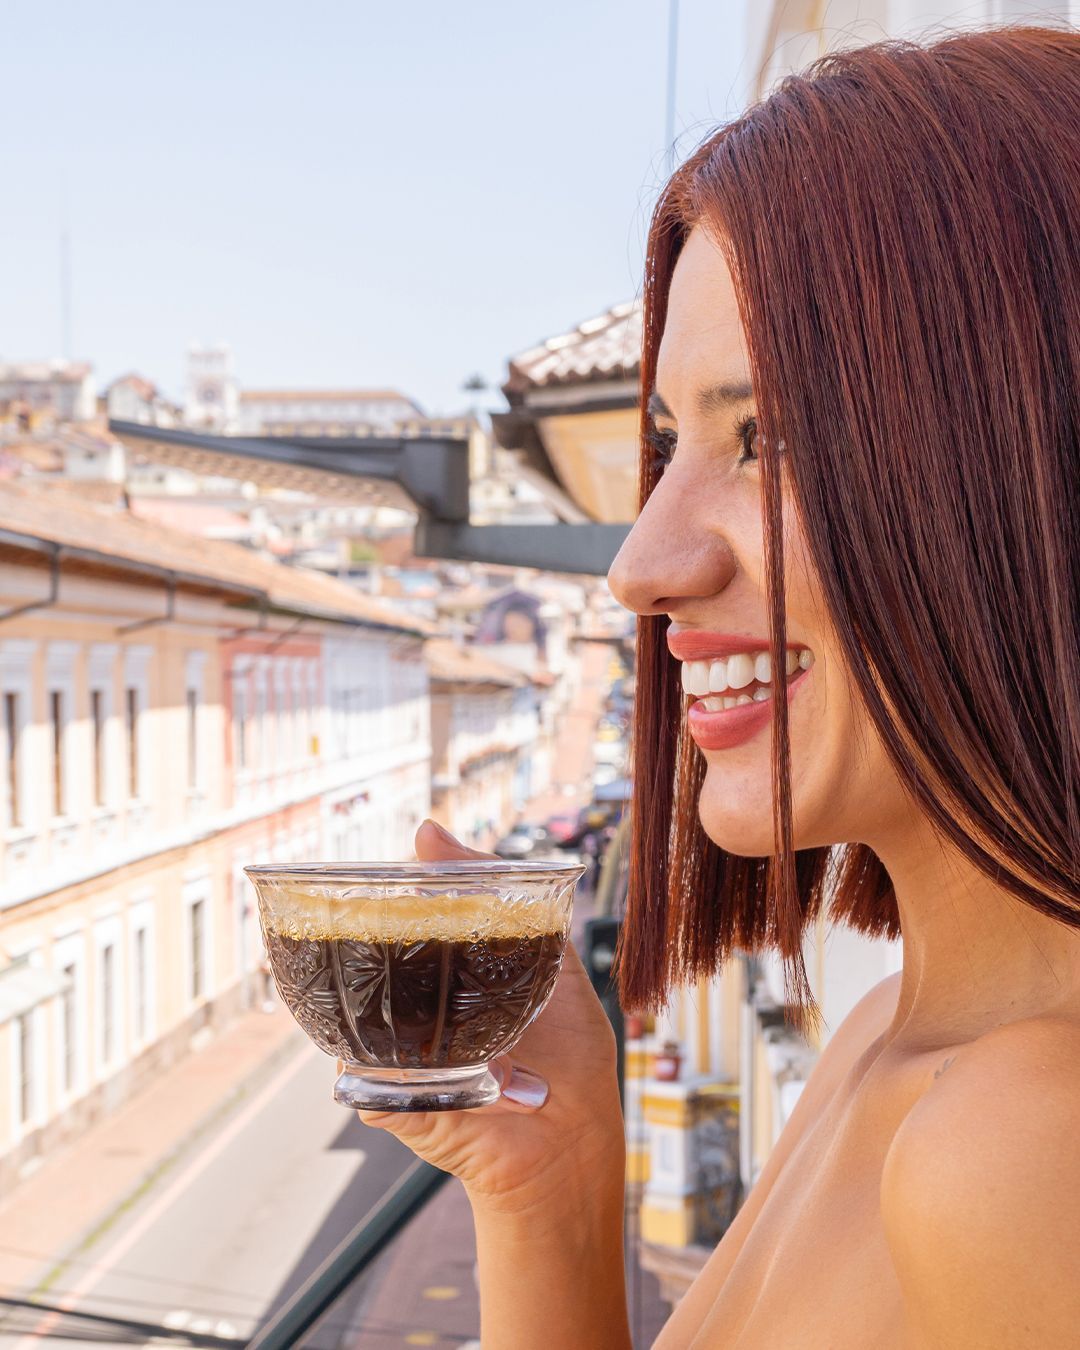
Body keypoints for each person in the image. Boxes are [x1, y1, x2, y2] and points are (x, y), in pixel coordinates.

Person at [355, 28, 1080, 1348]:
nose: (641, 561)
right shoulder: (885, 1039)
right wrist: (551, 1179)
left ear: (1032, 452)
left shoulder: (1024, 1142)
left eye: (775, 437)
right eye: (672, 444)